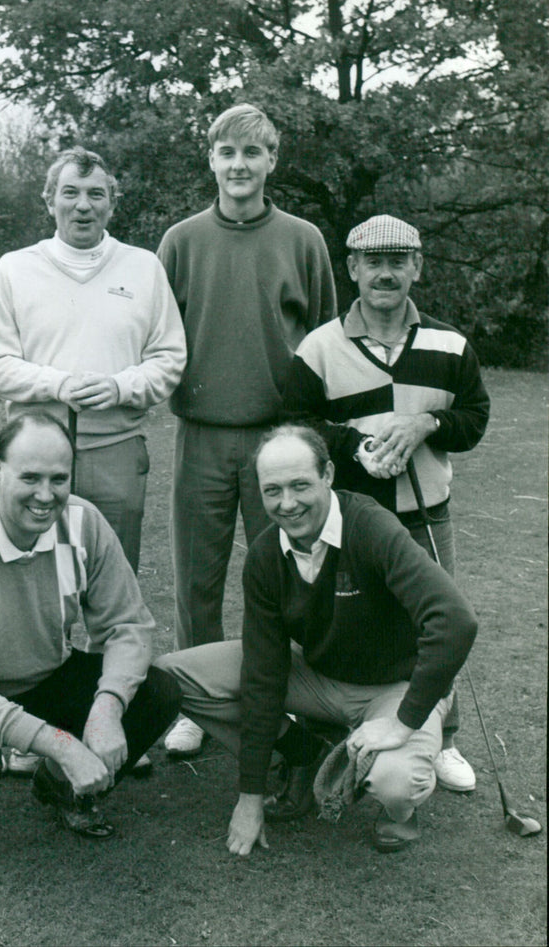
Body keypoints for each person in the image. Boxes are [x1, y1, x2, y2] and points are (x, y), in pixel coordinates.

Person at [155, 425, 477, 855]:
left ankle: (399, 810)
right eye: (272, 491)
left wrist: (403, 720)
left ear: (328, 474)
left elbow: (456, 620)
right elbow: (263, 671)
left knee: (396, 783)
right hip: (319, 678)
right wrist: (250, 796)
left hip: (394, 689)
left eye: (300, 485)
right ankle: (303, 750)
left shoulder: (371, 527)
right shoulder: (266, 555)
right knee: (169, 678)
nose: (287, 504)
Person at [0, 413, 182, 867]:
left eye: (58, 478)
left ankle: (59, 788)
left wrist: (107, 708)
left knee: (158, 692)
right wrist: (63, 744)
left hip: (41, 673)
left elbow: (128, 625)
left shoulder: (85, 524)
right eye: (29, 477)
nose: (45, 495)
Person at [281, 214, 490, 792]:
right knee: (343, 622)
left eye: (399, 261)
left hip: (426, 514)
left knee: (434, 622)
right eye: (373, 262)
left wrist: (428, 422)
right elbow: (296, 424)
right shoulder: (319, 346)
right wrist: (353, 445)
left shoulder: (450, 343)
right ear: (352, 269)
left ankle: (444, 738)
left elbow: (474, 419)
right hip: (348, 520)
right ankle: (328, 731)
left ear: (417, 267)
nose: (385, 273)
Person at [156, 103, 337, 756]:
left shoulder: (303, 239)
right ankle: (193, 703)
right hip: (201, 435)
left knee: (291, 573)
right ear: (211, 160)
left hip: (280, 440)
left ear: (272, 161)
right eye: (227, 152)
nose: (239, 165)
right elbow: (157, 336)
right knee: (197, 579)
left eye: (252, 153)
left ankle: (295, 697)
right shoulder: (180, 241)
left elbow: (323, 337)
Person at [0, 146, 186, 574]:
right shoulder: (15, 269)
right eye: (70, 192)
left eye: (96, 194)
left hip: (117, 451)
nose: (82, 205)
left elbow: (169, 357)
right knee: (32, 574)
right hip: (35, 454)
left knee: (110, 577)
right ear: (50, 199)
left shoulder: (143, 267)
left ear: (113, 203)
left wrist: (120, 386)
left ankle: (103, 646)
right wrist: (56, 384)